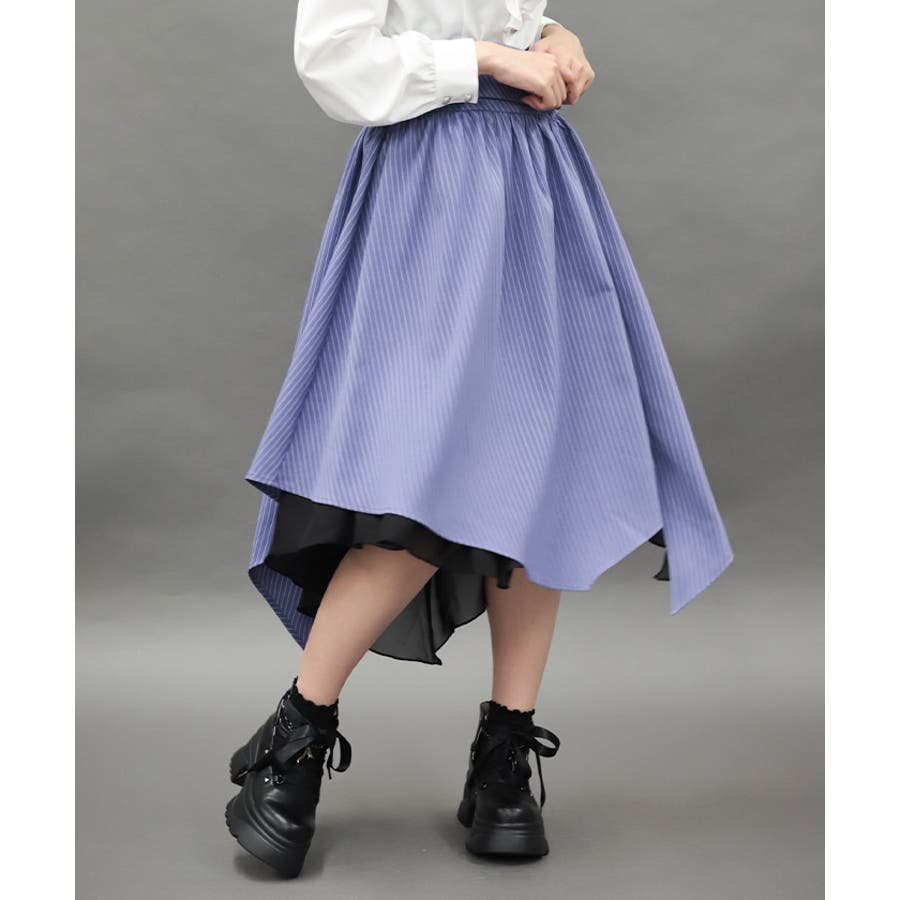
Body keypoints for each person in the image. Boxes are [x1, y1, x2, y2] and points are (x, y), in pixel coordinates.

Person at [224, 0, 734, 878]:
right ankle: (298, 732)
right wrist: (489, 63)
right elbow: (333, 59)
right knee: (421, 479)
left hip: (533, 177)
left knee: (543, 467)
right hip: (431, 185)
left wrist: (552, 36)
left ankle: (505, 753)